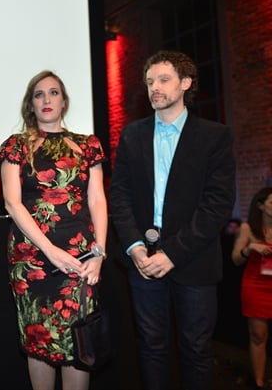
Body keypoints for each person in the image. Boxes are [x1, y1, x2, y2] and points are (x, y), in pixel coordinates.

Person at [109, 50, 236, 390]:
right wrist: (135, 247)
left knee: (196, 350)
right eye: (150, 81)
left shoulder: (214, 136)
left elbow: (218, 204)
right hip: (142, 260)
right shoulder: (132, 135)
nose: (155, 87)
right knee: (151, 347)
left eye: (164, 80)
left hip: (194, 259)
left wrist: (172, 253)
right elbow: (119, 196)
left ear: (186, 83)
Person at [0, 70, 108, 390]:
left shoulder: (88, 145)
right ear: (30, 104)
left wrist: (99, 253)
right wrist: (50, 251)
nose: (47, 99)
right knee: (39, 340)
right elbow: (12, 203)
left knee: (78, 340)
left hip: (81, 258)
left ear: (64, 102)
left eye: (54, 92)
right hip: (32, 258)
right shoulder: (16, 145)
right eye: (39, 94)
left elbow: (98, 200)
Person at [232, 188, 272, 390]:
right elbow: (235, 259)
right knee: (258, 335)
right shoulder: (247, 228)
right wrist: (250, 248)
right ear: (260, 206)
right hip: (256, 286)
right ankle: (259, 382)